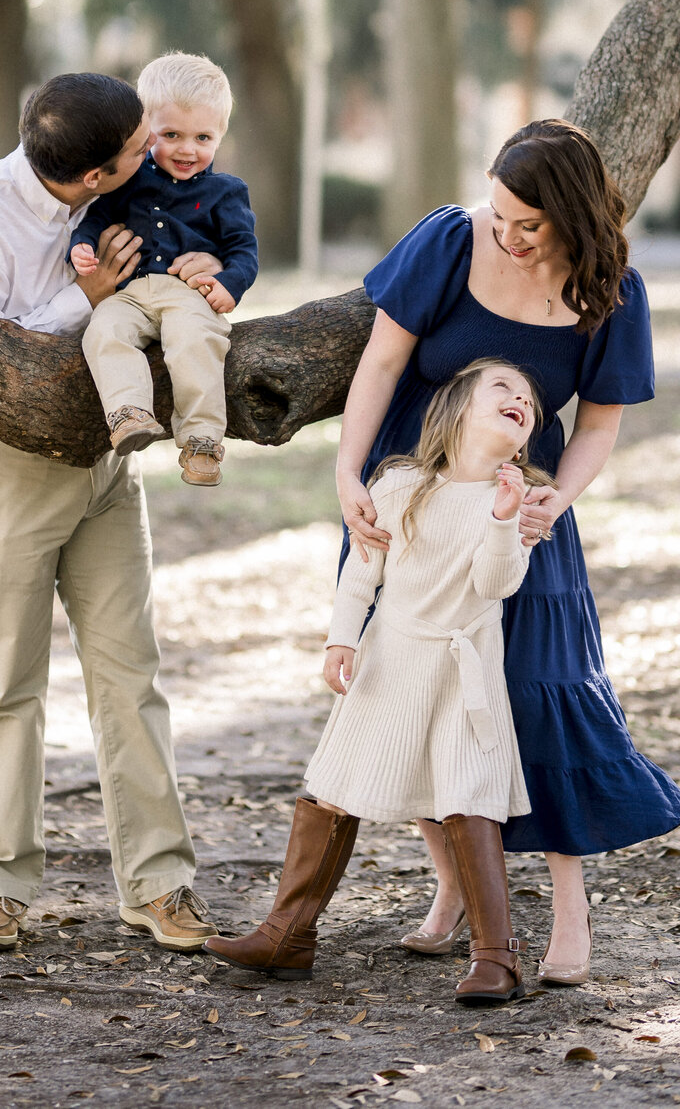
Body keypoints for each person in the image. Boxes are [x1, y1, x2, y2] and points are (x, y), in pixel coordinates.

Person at [336, 119, 680, 986]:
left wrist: (552, 501)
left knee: (535, 693)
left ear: (571, 217)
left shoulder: (613, 291)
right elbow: (382, 363)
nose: (505, 232)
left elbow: (600, 425)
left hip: (521, 510)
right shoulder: (450, 240)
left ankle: (570, 911)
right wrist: (347, 477)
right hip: (413, 494)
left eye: (525, 222)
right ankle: (454, 887)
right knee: (413, 685)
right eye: (498, 210)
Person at [0, 72, 219, 954]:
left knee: (132, 675)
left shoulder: (138, 193)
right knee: (7, 679)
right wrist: (80, 302)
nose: (152, 153)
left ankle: (160, 883)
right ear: (92, 178)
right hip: (2, 468)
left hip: (106, 466)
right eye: (136, 149)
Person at [205, 359, 546, 1004]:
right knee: (333, 786)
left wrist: (503, 519)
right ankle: (288, 933)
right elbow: (364, 570)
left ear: (524, 436)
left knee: (467, 795)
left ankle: (496, 957)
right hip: (391, 657)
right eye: (502, 388)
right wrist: (341, 637)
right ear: (457, 412)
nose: (519, 398)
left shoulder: (514, 499)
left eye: (527, 397)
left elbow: (497, 585)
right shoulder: (400, 485)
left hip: (460, 670)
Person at [69, 53, 258, 488]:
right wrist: (80, 245)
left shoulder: (227, 193)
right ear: (146, 130)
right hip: (129, 294)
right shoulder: (130, 179)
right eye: (171, 134)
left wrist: (230, 283)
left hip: (187, 295)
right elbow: (95, 218)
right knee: (104, 332)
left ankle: (201, 440)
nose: (187, 149)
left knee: (196, 342)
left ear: (220, 135)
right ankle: (128, 412)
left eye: (203, 137)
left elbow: (243, 251)